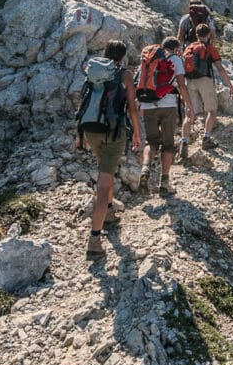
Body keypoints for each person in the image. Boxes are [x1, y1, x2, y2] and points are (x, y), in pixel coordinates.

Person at [75, 39, 141, 258]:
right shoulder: (125, 75)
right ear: (122, 56)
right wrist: (138, 133)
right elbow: (132, 106)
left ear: (105, 52)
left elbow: (83, 101)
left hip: (91, 129)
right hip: (114, 132)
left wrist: (80, 134)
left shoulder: (93, 72)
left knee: (106, 170)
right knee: (104, 183)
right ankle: (94, 240)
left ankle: (110, 212)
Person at [136, 37, 194, 196]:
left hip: (147, 104)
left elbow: (140, 82)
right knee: (168, 143)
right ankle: (165, 182)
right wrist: (189, 105)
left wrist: (141, 104)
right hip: (168, 104)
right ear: (176, 49)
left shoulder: (148, 58)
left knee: (151, 141)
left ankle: (145, 167)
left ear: (162, 46)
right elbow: (181, 85)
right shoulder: (175, 59)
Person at [178, 24, 233, 159]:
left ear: (196, 35)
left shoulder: (189, 48)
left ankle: (184, 142)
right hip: (205, 81)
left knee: (190, 114)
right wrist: (230, 87)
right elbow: (220, 69)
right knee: (212, 111)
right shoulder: (210, 48)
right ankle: (206, 139)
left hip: (189, 81)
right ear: (209, 35)